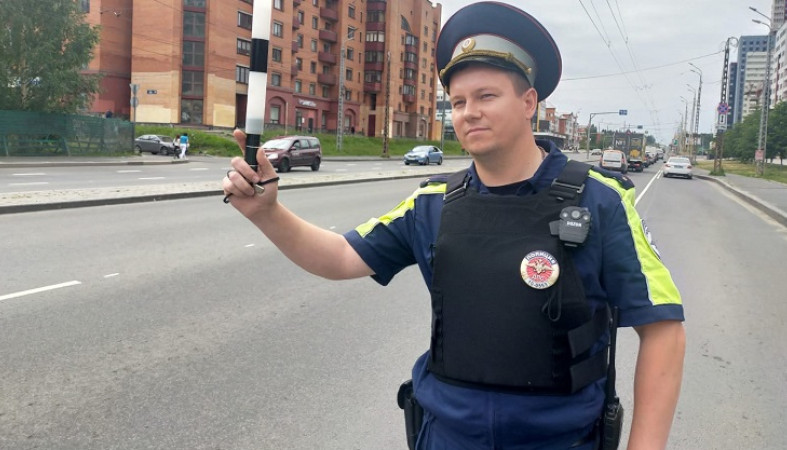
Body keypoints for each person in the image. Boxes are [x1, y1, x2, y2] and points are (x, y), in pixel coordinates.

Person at [222, 2, 685, 449]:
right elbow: (342, 257)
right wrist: (268, 214)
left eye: (486, 96)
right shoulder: (432, 204)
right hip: (445, 438)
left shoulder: (600, 200)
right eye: (458, 101)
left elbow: (663, 328)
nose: (468, 112)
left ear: (529, 102)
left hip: (560, 442)